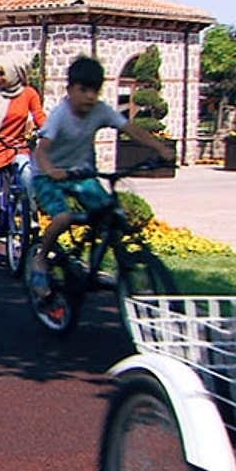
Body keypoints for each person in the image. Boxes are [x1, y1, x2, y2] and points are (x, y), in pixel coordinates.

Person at [30, 56, 175, 303]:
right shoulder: (59, 116)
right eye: (83, 89)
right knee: (63, 217)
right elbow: (41, 150)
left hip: (81, 174)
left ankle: (106, 264)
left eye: (94, 91)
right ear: (70, 89)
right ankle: (41, 259)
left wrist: (160, 148)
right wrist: (52, 170)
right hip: (47, 175)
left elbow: (130, 129)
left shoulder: (100, 111)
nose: (89, 96)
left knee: (109, 213)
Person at [0, 51, 47, 242]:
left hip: (16, 147)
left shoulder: (29, 94)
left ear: (14, 73)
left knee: (26, 172)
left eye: (2, 73)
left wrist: (50, 129)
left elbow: (39, 116)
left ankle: (30, 213)